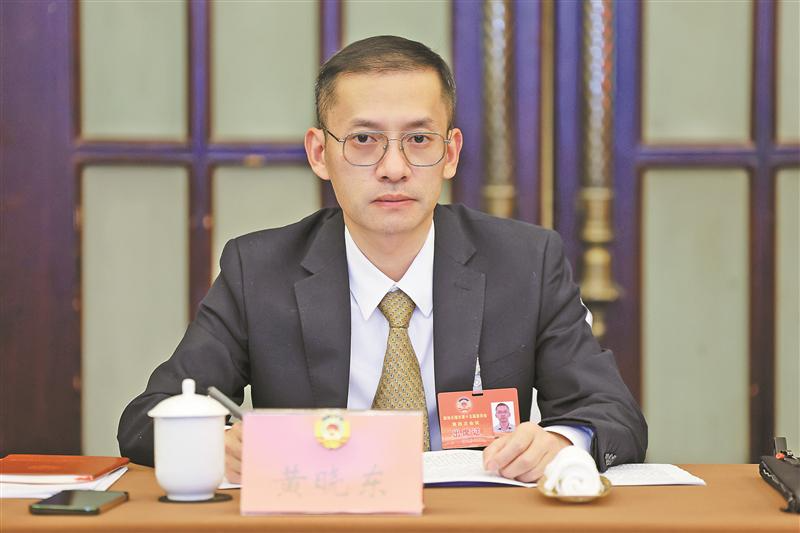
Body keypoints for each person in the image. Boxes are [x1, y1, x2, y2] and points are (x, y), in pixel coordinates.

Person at [118, 35, 647, 484]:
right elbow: (145, 419)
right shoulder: (259, 270)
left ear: (450, 153)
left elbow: (613, 416)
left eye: (418, 139)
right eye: (364, 139)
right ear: (320, 154)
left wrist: (562, 441)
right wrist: (215, 441)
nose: (394, 167)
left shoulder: (524, 262)